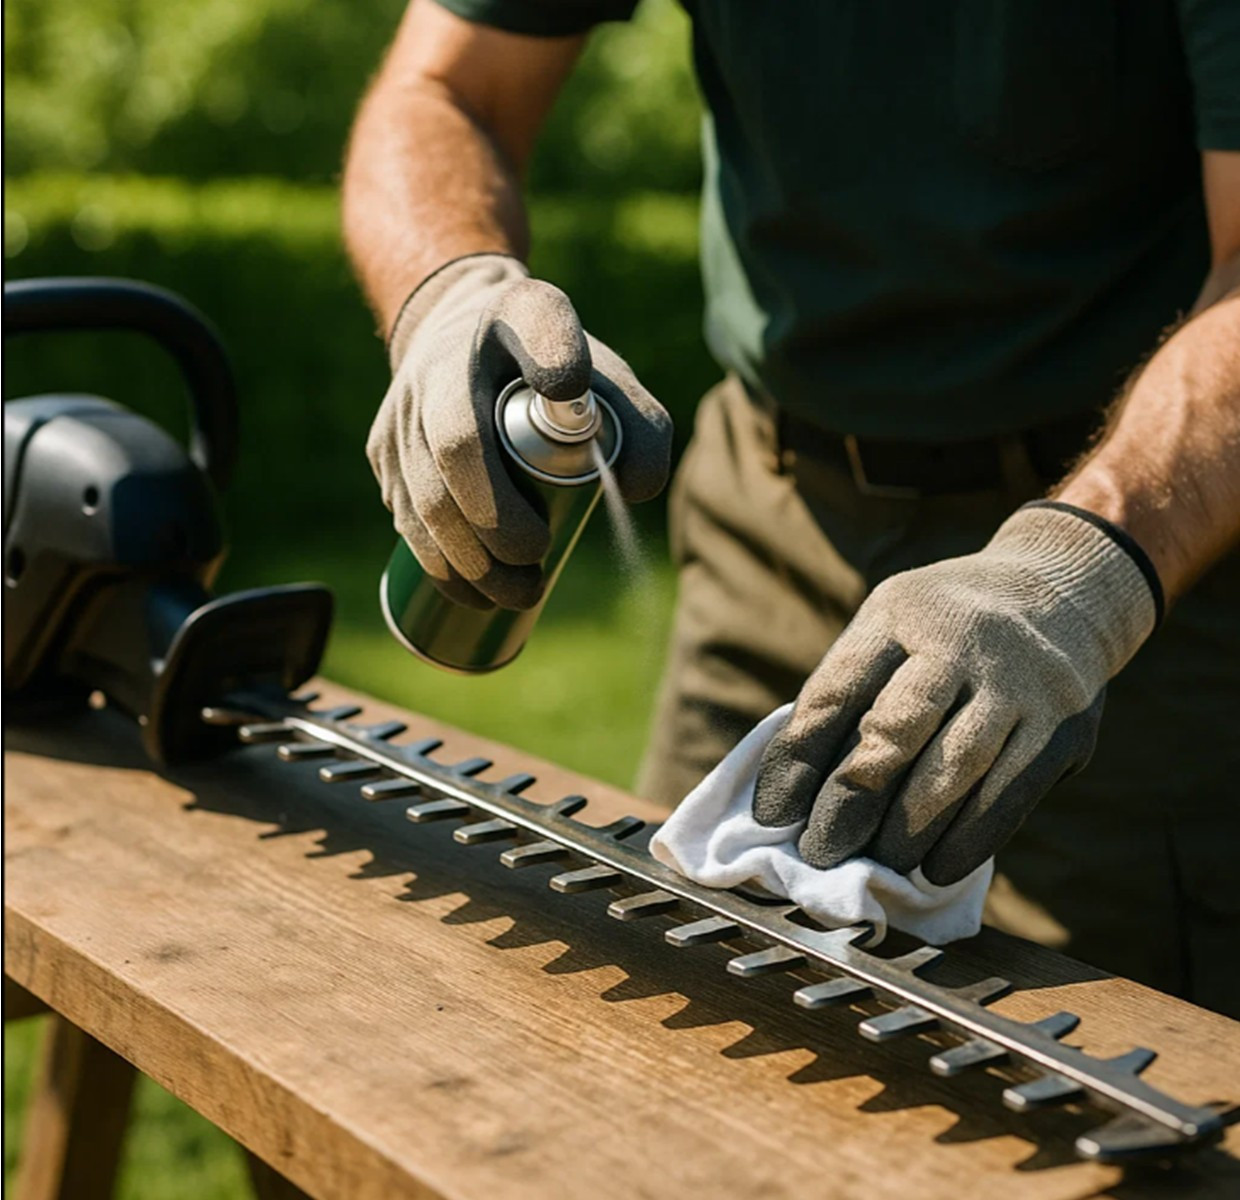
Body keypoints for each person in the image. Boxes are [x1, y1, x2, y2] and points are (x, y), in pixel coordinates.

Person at [342, 0, 1240, 1015]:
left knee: (1117, 1064)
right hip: (767, 510)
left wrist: (1079, 575)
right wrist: (446, 290)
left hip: (1133, 547)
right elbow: (448, 87)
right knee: (669, 999)